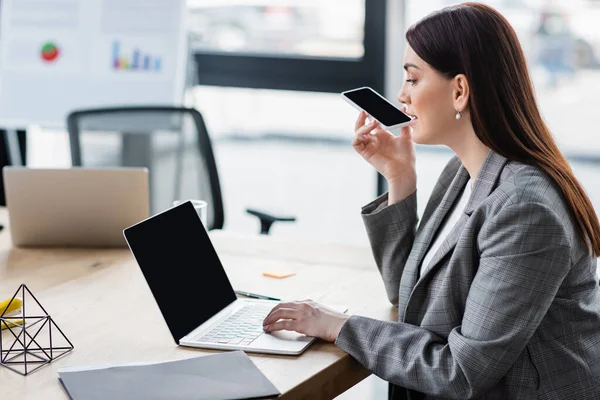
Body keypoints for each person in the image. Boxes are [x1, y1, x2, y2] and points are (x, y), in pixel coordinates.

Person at [262, 3, 600, 399]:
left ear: (459, 90)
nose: (402, 96)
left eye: (412, 79)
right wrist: (400, 178)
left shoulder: (526, 209)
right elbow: (414, 298)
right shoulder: (462, 174)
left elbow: (462, 372)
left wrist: (339, 326)